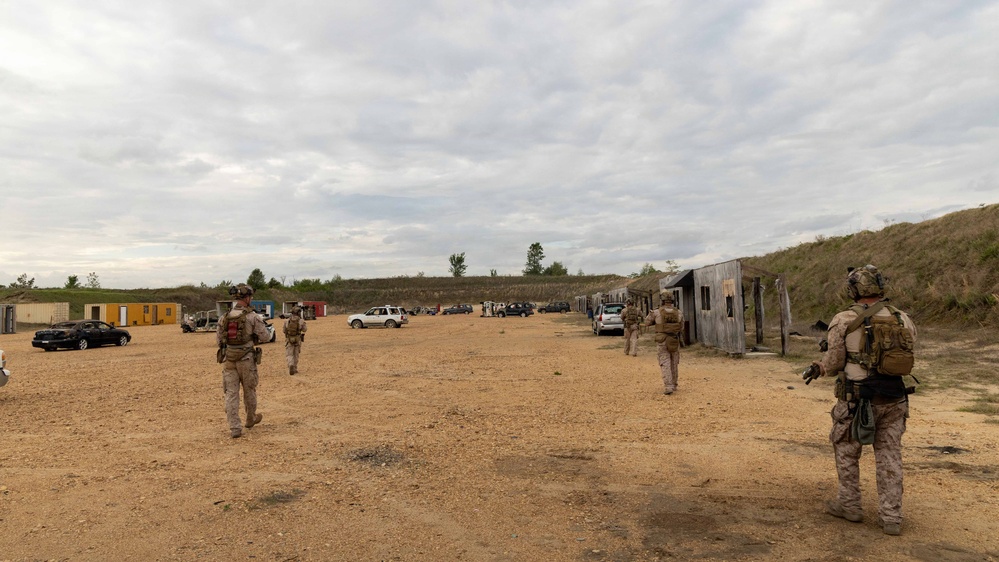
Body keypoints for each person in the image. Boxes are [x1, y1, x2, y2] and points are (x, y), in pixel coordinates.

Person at [810, 264, 917, 536]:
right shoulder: (902, 317)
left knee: (846, 449)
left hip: (857, 399)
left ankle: (850, 505)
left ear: (854, 289)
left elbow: (834, 363)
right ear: (880, 287)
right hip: (894, 398)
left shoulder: (843, 319)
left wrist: (821, 366)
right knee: (889, 455)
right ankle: (891, 517)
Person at [216, 284, 272, 438]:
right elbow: (266, 337)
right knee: (249, 390)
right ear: (247, 298)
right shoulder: (252, 316)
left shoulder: (224, 317)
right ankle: (250, 418)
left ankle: (234, 427)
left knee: (231, 394)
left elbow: (219, 340)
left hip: (229, 359)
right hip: (246, 359)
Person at [644, 290, 684, 394]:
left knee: (665, 362)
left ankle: (668, 386)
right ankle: (674, 384)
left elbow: (647, 322)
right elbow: (681, 327)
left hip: (662, 341)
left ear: (662, 300)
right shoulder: (678, 312)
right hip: (674, 340)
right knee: (674, 363)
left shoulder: (656, 312)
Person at [283, 305, 308, 375]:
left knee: (289, 354)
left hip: (289, 339)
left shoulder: (287, 321)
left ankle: (290, 364)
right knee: (296, 354)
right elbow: (305, 329)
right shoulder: (301, 321)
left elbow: (284, 330)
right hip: (297, 340)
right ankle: (295, 368)